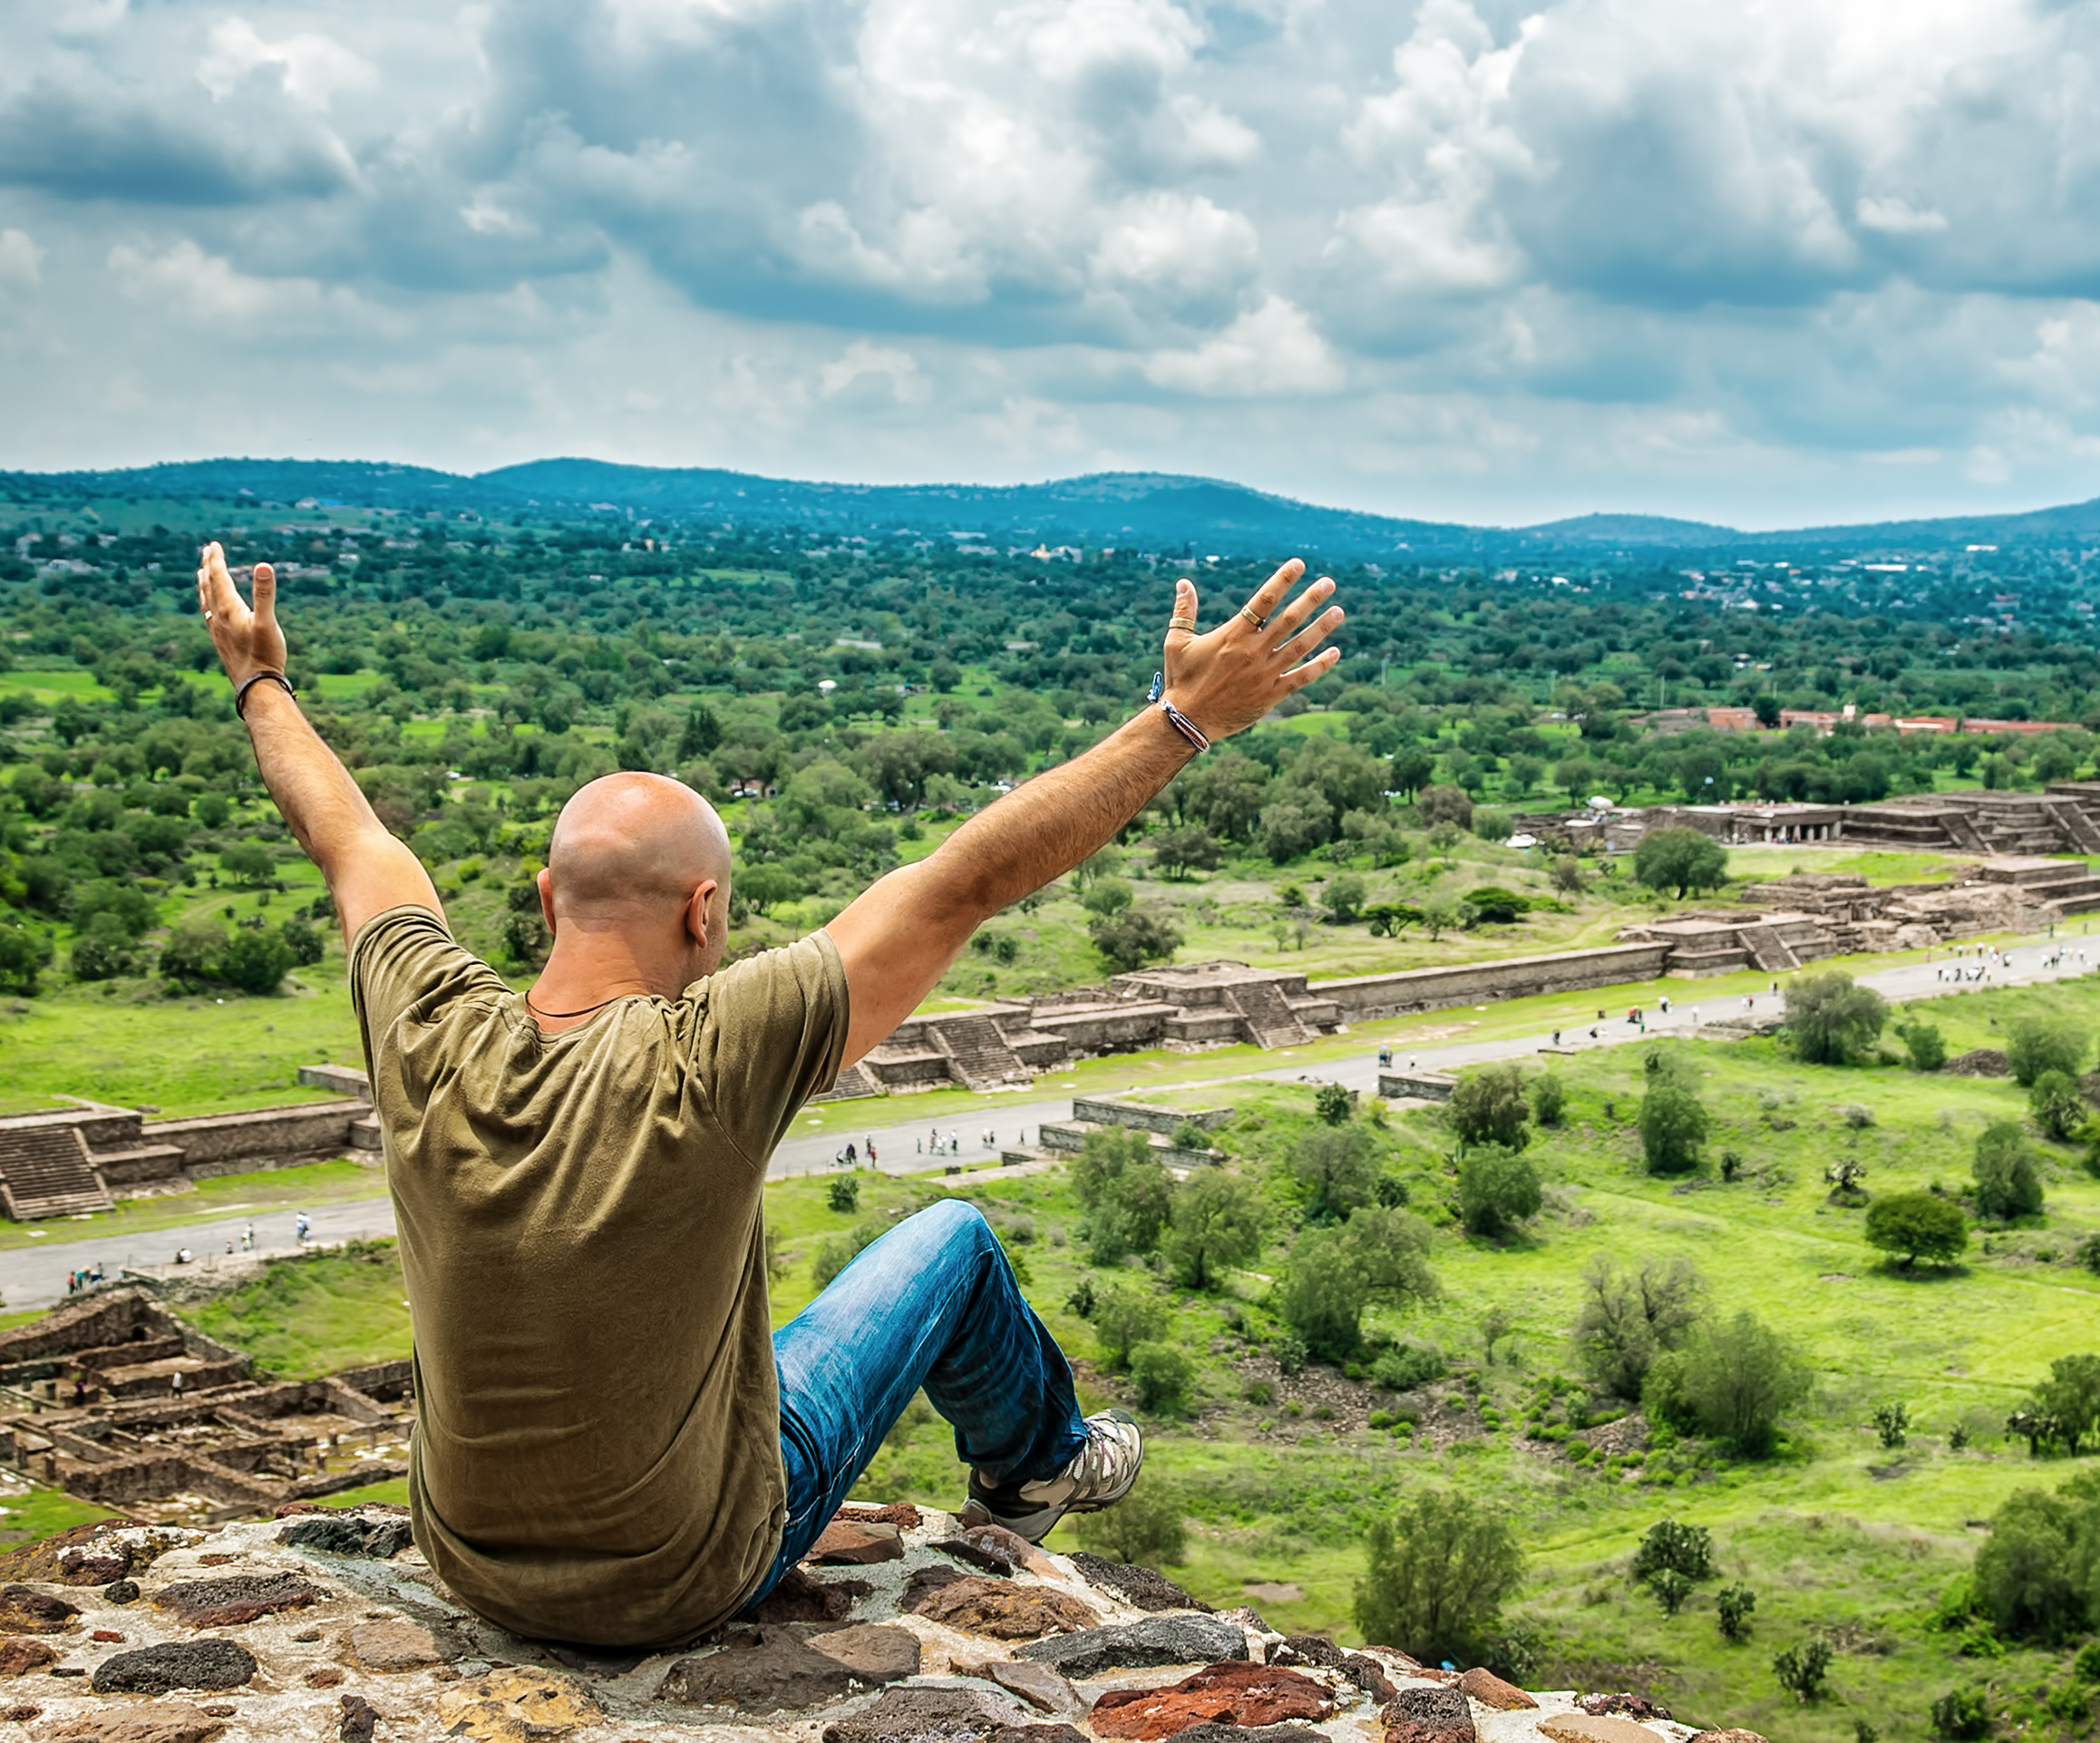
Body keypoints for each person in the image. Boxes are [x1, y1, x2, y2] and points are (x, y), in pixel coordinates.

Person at [201, 536, 1343, 1653]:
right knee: (951, 1241)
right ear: (703, 910)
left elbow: (348, 837)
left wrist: (260, 680)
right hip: (689, 1573)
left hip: (471, 1565)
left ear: (548, 898)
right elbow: (966, 879)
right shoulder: (711, 1053)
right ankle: (1040, 1465)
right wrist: (1183, 719)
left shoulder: (426, 1027)